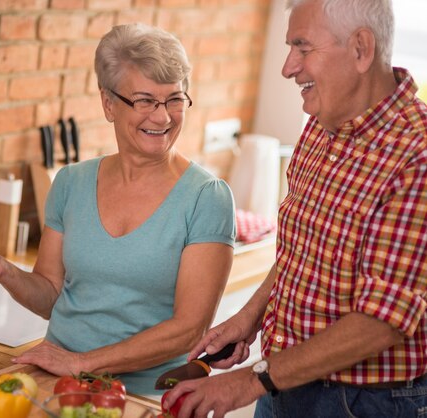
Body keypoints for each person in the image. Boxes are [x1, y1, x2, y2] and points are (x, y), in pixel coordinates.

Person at [0, 23, 236, 395]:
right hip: (58, 382)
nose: (163, 117)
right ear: (108, 104)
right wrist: (4, 270)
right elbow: (51, 294)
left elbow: (189, 329)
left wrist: (83, 364)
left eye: (175, 99)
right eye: (145, 100)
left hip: (145, 395)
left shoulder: (207, 197)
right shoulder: (71, 182)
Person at [163, 0, 427, 416]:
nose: (288, 67)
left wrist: (252, 380)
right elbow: (303, 256)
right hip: (282, 382)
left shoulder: (417, 153)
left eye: (303, 48)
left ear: (361, 49)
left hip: (362, 403)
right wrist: (249, 318)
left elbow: (382, 321)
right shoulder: (321, 126)